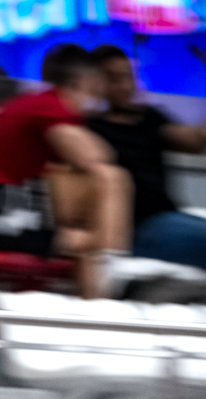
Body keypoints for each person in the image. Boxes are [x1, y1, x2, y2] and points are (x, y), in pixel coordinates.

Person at [0, 43, 130, 300]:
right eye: (99, 83)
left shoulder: (37, 103)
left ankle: (99, 303)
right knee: (110, 180)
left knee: (91, 235)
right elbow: (92, 157)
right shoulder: (51, 106)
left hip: (7, 203)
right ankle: (109, 278)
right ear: (82, 81)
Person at [87, 45, 206, 268]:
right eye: (114, 79)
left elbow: (196, 141)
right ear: (97, 84)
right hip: (134, 229)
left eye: (129, 77)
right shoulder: (90, 128)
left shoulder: (149, 118)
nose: (125, 86)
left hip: (167, 220)